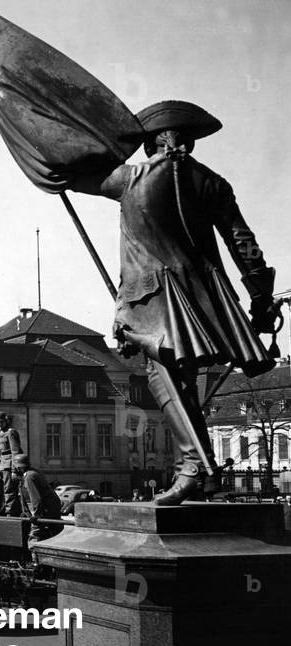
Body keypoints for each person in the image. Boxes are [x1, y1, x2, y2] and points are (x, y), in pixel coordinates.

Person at [92, 100, 279, 505]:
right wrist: (261, 300)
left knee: (163, 377)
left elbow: (73, 173)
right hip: (207, 297)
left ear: (150, 143)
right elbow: (244, 246)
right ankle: (202, 473)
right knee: (183, 383)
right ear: (189, 142)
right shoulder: (213, 182)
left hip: (154, 297)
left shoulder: (129, 177)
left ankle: (194, 468)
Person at [14, 455, 63, 552]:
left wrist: (36, 515)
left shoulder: (29, 477)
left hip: (46, 511)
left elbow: (35, 497)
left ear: (19, 467)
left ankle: (35, 560)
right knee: (54, 534)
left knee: (35, 534)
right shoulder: (33, 473)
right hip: (52, 509)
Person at [0, 411, 24, 516]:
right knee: (5, 489)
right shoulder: (0, 434)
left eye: (1, 422)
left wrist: (14, 470)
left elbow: (15, 452)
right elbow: (3, 453)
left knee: (9, 490)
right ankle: (9, 510)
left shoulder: (11, 432)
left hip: (10, 466)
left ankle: (11, 513)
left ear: (6, 421)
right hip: (4, 465)